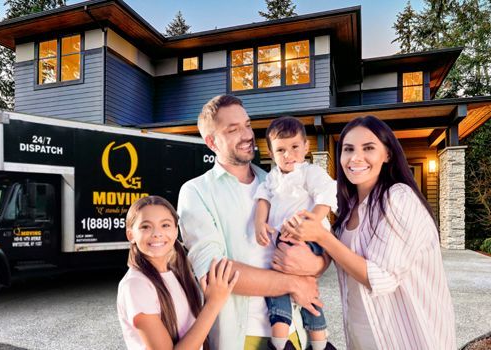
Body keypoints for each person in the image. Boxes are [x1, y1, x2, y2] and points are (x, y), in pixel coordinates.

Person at [282, 116, 457, 349]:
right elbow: (342, 256)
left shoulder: (398, 198)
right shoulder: (348, 209)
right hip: (362, 336)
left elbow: (381, 277)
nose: (355, 157)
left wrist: (321, 236)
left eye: (368, 148)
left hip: (406, 338)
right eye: (348, 149)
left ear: (387, 154)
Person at [177, 95, 327, 350]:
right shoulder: (196, 192)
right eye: (233, 129)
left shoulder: (275, 181)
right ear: (212, 142)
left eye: (247, 125)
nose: (247, 135)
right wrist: (294, 283)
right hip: (242, 337)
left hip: (296, 332)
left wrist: (318, 263)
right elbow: (215, 275)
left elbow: (321, 236)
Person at [253, 117, 337, 350]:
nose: (288, 155)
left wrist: (310, 222)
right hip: (284, 240)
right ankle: (279, 344)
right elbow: (262, 199)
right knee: (281, 283)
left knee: (306, 282)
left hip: (308, 237)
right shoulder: (271, 178)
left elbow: (325, 198)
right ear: (270, 152)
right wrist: (260, 223)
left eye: (294, 147)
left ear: (306, 147)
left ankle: (320, 345)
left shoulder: (310, 172)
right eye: (281, 150)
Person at [117, 195, 239, 350]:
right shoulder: (136, 285)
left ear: (176, 230)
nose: (157, 233)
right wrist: (213, 303)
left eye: (165, 225)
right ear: (131, 235)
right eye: (145, 227)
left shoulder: (177, 273)